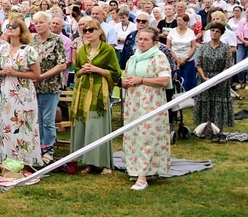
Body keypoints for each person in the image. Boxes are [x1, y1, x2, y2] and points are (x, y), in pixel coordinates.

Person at [70, 17, 122, 174]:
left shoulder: (108, 50)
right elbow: (76, 69)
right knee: (84, 126)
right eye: (85, 30)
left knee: (97, 126)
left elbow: (116, 73)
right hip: (83, 90)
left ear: (99, 31)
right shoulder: (83, 50)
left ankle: (105, 163)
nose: (87, 33)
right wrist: (82, 71)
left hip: (99, 92)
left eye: (91, 30)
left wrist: (97, 70)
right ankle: (89, 162)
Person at [122, 27, 171, 191]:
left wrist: (141, 80)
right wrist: (126, 82)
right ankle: (136, 169)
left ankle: (143, 176)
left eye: (145, 39)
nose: (141, 42)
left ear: (154, 42)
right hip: (133, 102)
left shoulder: (159, 57)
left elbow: (164, 80)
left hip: (151, 101)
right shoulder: (134, 57)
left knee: (147, 136)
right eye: (140, 39)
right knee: (133, 135)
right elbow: (125, 76)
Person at [0, 17, 42, 167]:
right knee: (7, 124)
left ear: (21, 30)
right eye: (8, 25)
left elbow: (36, 74)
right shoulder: (2, 49)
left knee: (24, 124)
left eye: (14, 26)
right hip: (7, 91)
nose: (10, 28)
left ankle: (26, 160)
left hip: (24, 92)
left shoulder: (28, 50)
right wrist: (2, 72)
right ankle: (8, 160)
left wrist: (17, 73)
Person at [32, 11, 67, 160]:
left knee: (47, 120)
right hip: (33, 87)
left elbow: (62, 64)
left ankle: (48, 151)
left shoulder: (56, 40)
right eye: (36, 23)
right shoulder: (32, 41)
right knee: (35, 119)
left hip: (50, 86)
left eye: (41, 22)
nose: (39, 25)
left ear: (48, 23)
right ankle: (36, 148)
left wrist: (41, 76)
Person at [194, 22, 234, 133]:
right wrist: (204, 77)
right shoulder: (203, 47)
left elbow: (228, 65)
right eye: (212, 31)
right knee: (205, 101)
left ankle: (219, 128)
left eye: (217, 32)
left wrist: (218, 79)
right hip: (205, 77)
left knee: (218, 103)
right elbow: (198, 64)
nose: (214, 33)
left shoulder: (226, 48)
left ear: (221, 34)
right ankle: (204, 127)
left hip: (220, 79)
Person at [166, 13, 197, 91]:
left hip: (188, 60)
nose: (178, 22)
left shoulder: (190, 32)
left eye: (181, 20)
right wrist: (175, 58)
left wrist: (186, 58)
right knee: (175, 80)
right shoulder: (172, 31)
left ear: (186, 22)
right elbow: (168, 46)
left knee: (187, 81)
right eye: (177, 20)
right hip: (174, 60)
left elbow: (193, 47)